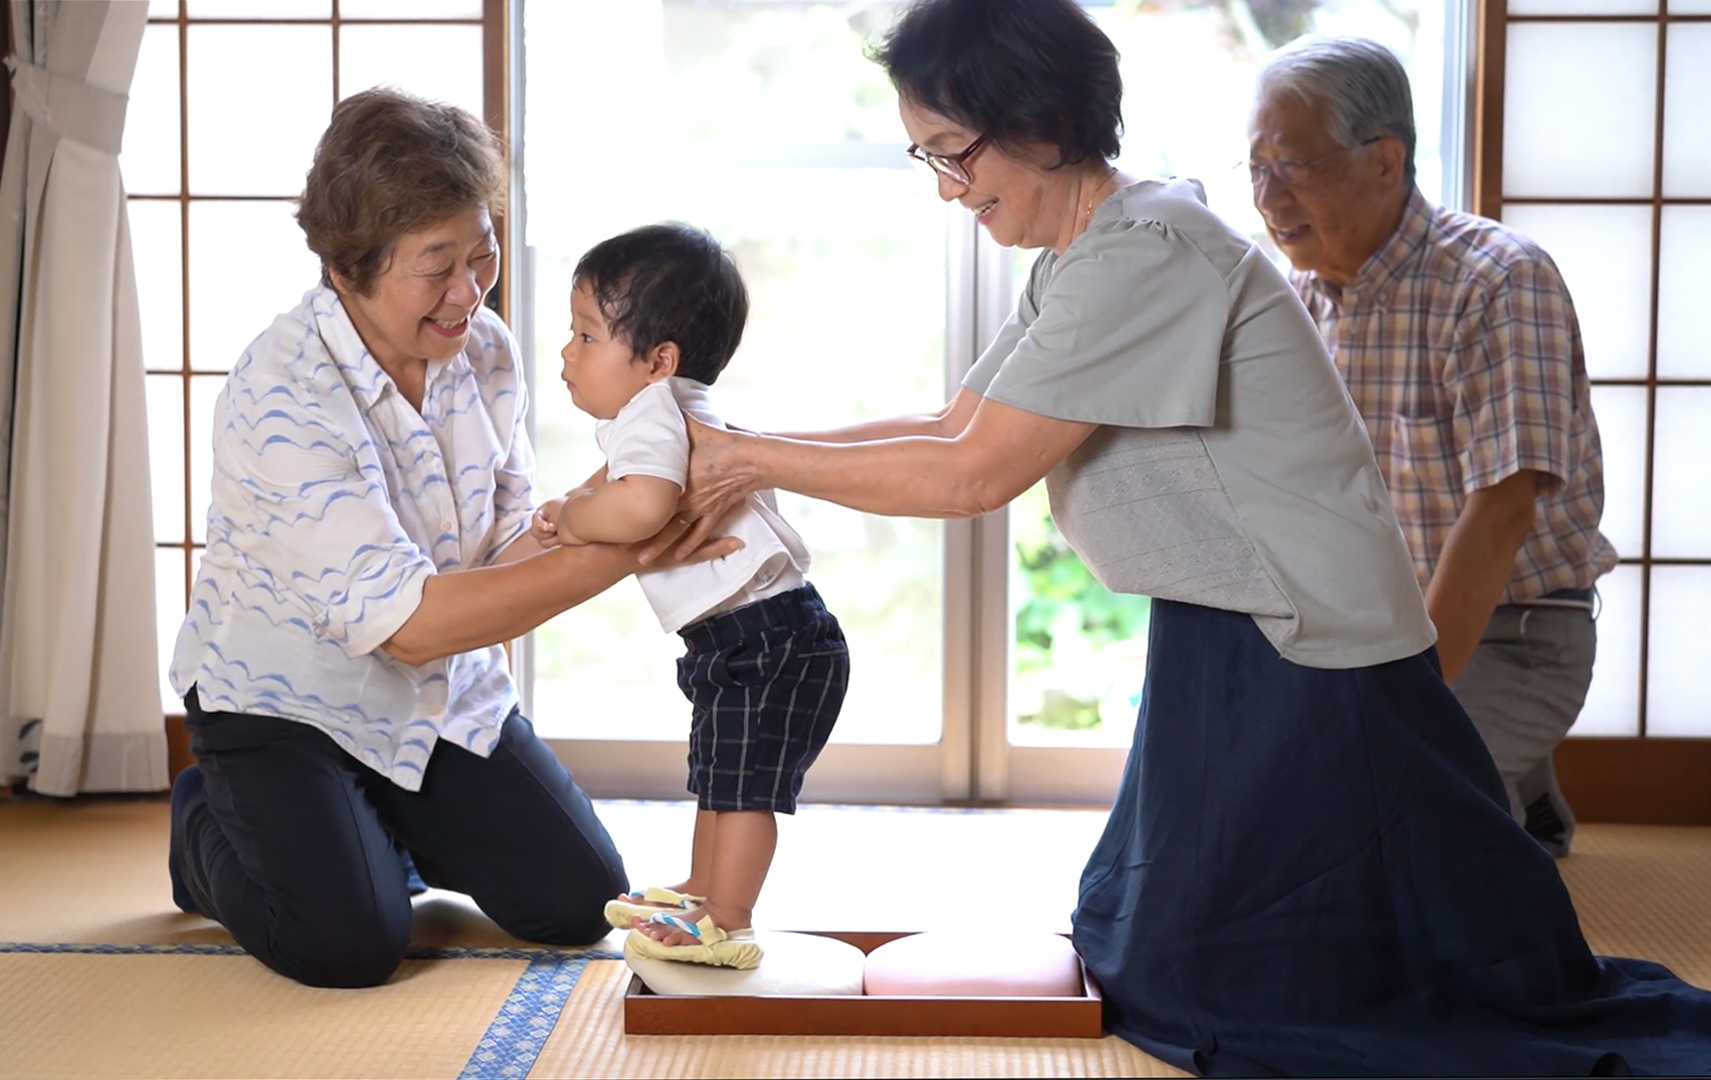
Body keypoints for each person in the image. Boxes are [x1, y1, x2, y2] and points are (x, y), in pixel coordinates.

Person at [663, 0, 1711, 1072]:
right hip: (1226, 627)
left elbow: (973, 474)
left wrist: (745, 461)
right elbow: (952, 421)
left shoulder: (1149, 252)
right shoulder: (1088, 253)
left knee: (1239, 994)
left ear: (1038, 118)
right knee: (1145, 950)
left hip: (1309, 647)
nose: (946, 185)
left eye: (953, 152)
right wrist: (742, 438)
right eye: (925, 155)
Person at [164, 88, 737, 989]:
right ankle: (206, 824)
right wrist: (632, 543)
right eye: (438, 266)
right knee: (345, 947)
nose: (470, 292)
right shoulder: (282, 392)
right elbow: (410, 625)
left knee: (579, 904)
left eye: (482, 255)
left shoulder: (486, 348)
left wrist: (617, 508)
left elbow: (510, 542)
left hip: (437, 695)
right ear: (350, 266)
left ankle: (366, 833)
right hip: (287, 704)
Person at [1249, 36, 1617, 858]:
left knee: (1387, 837)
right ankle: (1513, 788)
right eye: (1257, 168)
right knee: (1261, 812)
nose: (1270, 197)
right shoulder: (1294, 301)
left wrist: (1408, 708)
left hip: (1517, 631)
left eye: (1295, 165)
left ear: (1386, 161)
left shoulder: (1498, 280)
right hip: (1370, 634)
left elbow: (1502, 513)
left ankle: (1487, 798)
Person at [534, 223, 849, 970]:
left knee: (742, 788)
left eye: (584, 335)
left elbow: (641, 505)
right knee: (718, 770)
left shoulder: (651, 415)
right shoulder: (675, 407)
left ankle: (726, 918)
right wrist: (578, 496)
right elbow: (630, 481)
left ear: (658, 361)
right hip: (750, 632)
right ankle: (702, 889)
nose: (565, 354)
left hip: (767, 633)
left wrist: (574, 519)